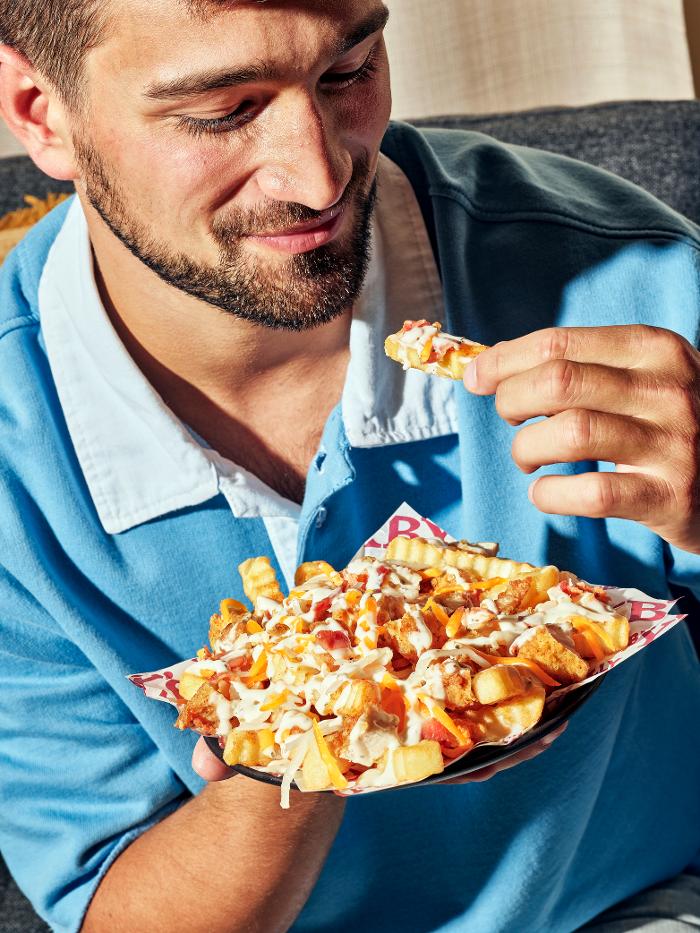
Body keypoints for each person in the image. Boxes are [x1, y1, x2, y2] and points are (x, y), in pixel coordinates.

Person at [0, 1, 699, 931]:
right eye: (223, 110)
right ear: (42, 113)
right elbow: (120, 908)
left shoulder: (636, 286)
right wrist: (307, 729)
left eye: (349, 70)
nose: (321, 173)